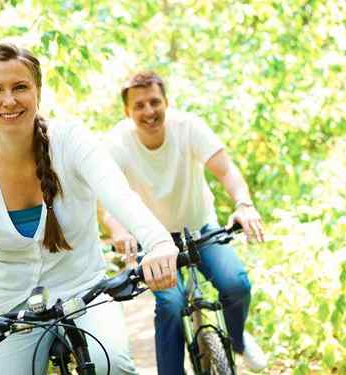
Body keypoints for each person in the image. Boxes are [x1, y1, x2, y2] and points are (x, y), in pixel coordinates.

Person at [0, 44, 181, 375]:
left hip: (86, 291)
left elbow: (119, 195)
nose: (9, 100)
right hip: (12, 309)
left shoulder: (72, 142)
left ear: (37, 92)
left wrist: (160, 243)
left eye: (20, 87)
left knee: (114, 367)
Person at [102, 71, 268, 373]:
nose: (149, 111)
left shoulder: (188, 127)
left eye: (155, 102)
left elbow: (227, 171)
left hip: (199, 227)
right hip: (153, 240)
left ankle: (238, 339)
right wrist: (118, 229)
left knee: (236, 283)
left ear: (166, 102)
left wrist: (244, 204)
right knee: (171, 304)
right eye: (139, 106)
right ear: (127, 112)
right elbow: (107, 198)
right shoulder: (116, 143)